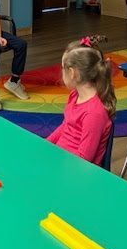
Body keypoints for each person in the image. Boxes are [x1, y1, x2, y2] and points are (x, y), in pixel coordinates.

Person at [46, 35, 115, 166]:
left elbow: (84, 159)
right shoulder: (75, 95)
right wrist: (45, 144)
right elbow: (66, 126)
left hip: (74, 168)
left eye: (63, 68)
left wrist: (55, 160)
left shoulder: (94, 113)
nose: (61, 72)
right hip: (61, 158)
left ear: (72, 73)